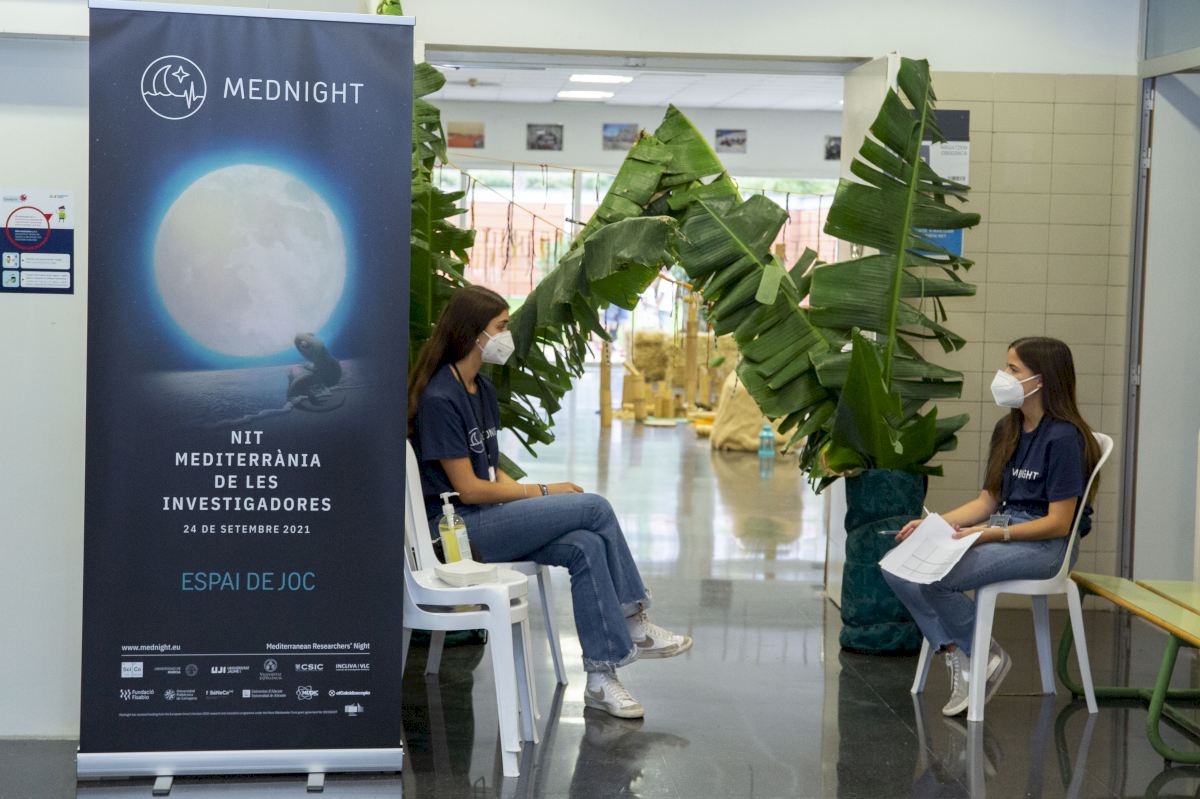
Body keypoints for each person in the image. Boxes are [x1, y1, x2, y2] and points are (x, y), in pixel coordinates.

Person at [409, 285, 693, 719]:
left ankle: (599, 678)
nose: (507, 336)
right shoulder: (440, 398)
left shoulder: (480, 388)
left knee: (586, 544)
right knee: (594, 508)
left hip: (483, 518)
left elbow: (491, 471)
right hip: (454, 532)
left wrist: (533, 504)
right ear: (473, 333)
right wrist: (543, 492)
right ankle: (634, 621)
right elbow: (470, 489)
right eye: (501, 327)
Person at [882, 336, 1101, 717]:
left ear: (1041, 380)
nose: (1003, 376)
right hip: (1003, 529)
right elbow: (987, 501)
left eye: (1013, 369)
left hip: (1046, 546)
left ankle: (981, 656)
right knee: (898, 566)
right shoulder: (1008, 429)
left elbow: (1058, 523)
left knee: (936, 577)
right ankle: (965, 653)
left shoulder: (1064, 438)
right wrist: (934, 524)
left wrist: (990, 534)